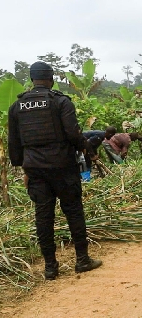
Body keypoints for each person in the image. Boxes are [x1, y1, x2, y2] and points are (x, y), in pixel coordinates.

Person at [7, 61, 102, 280]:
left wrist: (24, 169)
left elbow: (15, 143)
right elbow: (72, 133)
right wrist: (85, 148)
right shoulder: (60, 102)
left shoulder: (16, 107)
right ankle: (82, 260)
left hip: (36, 170)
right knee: (74, 211)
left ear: (32, 80)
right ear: (51, 79)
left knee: (43, 216)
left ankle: (50, 268)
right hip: (63, 167)